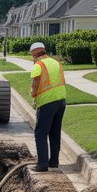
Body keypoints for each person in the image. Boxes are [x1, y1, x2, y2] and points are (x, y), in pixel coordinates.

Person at [28, 41, 67, 172]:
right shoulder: (56, 63)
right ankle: (54, 162)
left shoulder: (38, 65)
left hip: (47, 102)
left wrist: (33, 95)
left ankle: (42, 164)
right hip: (61, 100)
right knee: (55, 132)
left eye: (32, 54)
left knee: (40, 132)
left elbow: (35, 83)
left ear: (34, 53)